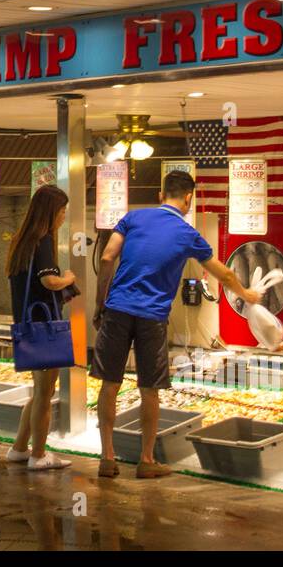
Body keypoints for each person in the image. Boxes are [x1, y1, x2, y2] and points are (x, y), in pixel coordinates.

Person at [93, 170, 262, 479]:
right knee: (149, 388)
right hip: (152, 317)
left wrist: (99, 302)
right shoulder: (187, 234)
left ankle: (107, 457)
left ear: (161, 195)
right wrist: (247, 294)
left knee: (110, 384)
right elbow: (223, 274)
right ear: (188, 198)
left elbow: (106, 257)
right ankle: (146, 461)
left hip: (117, 310)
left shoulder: (132, 218)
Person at [5, 184, 78, 471]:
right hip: (45, 329)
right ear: (50, 213)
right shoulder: (43, 240)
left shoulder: (21, 242)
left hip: (28, 326)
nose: (63, 217)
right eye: (62, 211)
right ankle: (39, 454)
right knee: (46, 394)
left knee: (39, 392)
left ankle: (20, 448)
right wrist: (68, 278)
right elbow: (49, 281)